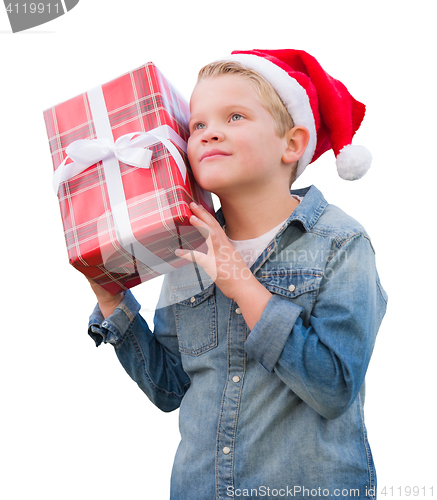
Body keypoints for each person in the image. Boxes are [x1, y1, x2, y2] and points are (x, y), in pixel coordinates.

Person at [88, 49, 388, 499]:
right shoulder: (190, 249)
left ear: (291, 144)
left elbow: (332, 388)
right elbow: (171, 388)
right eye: (199, 125)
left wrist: (238, 280)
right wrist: (114, 301)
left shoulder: (340, 243)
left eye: (235, 116)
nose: (209, 134)